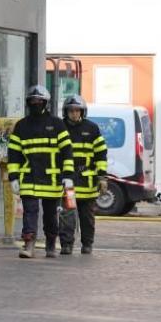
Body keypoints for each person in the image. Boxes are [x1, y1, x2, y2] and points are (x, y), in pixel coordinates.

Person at [7, 85, 75, 258]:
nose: (35, 103)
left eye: (39, 101)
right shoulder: (21, 126)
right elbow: (14, 154)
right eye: (33, 101)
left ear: (45, 103)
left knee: (51, 215)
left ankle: (51, 244)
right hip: (29, 177)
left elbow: (67, 151)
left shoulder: (57, 124)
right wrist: (13, 177)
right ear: (28, 103)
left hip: (52, 179)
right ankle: (29, 244)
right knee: (29, 212)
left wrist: (67, 176)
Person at [58, 94, 108, 255]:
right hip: (69, 181)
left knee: (87, 217)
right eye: (71, 110)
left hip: (87, 181)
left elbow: (101, 154)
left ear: (82, 112)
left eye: (77, 110)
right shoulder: (60, 128)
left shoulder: (92, 128)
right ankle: (66, 245)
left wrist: (102, 177)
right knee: (68, 214)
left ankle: (87, 244)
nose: (74, 113)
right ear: (66, 112)